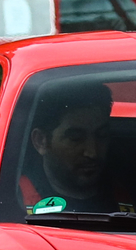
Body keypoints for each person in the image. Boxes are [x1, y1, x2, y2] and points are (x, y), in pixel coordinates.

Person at [18, 83, 122, 213]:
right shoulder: (10, 202)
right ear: (41, 141)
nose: (92, 152)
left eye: (102, 136)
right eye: (76, 138)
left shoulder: (135, 190)